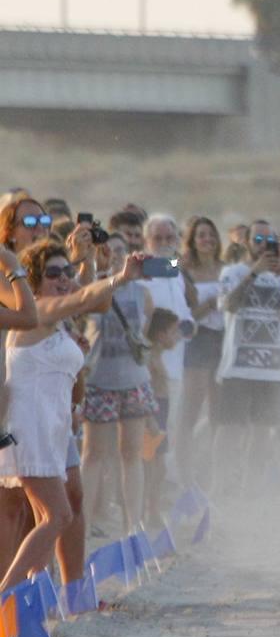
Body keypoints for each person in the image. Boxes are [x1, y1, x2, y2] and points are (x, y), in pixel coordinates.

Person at [0, 240, 143, 591]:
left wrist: (92, 263)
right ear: (33, 280)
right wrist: (120, 278)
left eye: (67, 271)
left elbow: (90, 302)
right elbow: (81, 299)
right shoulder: (40, 312)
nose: (64, 278)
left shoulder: (60, 324)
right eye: (53, 273)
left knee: (48, 517)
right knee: (57, 516)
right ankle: (6, 597)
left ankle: (39, 596)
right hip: (29, 428)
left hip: (53, 428)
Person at [213, 220, 280, 494]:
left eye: (270, 239)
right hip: (238, 366)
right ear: (247, 242)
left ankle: (251, 490)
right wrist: (252, 274)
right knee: (230, 431)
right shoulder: (234, 271)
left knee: (263, 434)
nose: (264, 244)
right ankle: (219, 486)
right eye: (258, 238)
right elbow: (228, 305)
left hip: (271, 368)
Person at [81, 238, 158, 535]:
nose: (115, 256)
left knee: (132, 454)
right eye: (108, 251)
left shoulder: (142, 293)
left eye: (120, 252)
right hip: (100, 378)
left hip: (134, 379)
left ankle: (133, 528)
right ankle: (84, 525)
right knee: (94, 453)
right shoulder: (93, 287)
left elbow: (144, 338)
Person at [141, 215, 195, 485]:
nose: (163, 243)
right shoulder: (142, 273)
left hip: (175, 363)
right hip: (150, 367)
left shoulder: (174, 273)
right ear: (146, 241)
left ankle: (162, 487)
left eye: (169, 238)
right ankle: (147, 487)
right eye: (157, 238)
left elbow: (185, 315)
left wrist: (185, 328)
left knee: (169, 427)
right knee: (150, 431)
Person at [180, 216, 226, 488]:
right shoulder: (185, 268)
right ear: (193, 241)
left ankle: (211, 471)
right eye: (201, 235)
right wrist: (208, 305)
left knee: (217, 412)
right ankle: (184, 473)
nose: (207, 240)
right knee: (191, 409)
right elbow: (165, 266)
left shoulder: (226, 268)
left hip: (222, 339)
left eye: (211, 234)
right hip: (197, 338)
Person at [142, 308, 182, 526]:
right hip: (153, 411)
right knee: (151, 466)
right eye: (173, 332)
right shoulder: (149, 357)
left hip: (162, 409)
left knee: (160, 466)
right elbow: (146, 388)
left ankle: (152, 509)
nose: (177, 337)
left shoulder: (157, 355)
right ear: (160, 335)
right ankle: (149, 511)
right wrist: (150, 419)